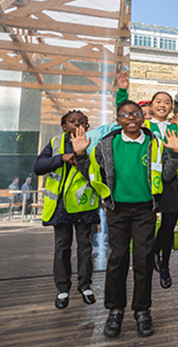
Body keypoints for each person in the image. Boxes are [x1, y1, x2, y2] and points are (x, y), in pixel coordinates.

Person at [73, 100, 178, 338]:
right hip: (117, 210)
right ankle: (115, 311)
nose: (130, 118)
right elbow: (92, 176)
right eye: (124, 114)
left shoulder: (155, 143)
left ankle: (142, 311)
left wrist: (174, 153)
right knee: (118, 259)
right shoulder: (106, 144)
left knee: (143, 260)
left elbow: (166, 175)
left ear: (143, 118)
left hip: (145, 210)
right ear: (118, 119)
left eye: (135, 114)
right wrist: (81, 155)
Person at [115, 71, 178, 290]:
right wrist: (122, 90)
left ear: (170, 108)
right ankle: (148, 261)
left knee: (169, 225)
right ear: (153, 105)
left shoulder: (176, 127)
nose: (163, 105)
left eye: (167, 102)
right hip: (148, 183)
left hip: (171, 183)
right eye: (159, 101)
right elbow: (122, 115)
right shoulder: (144, 127)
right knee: (146, 227)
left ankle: (163, 263)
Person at [33, 110, 100, 310]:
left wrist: (81, 158)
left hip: (85, 206)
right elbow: (38, 167)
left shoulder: (93, 143)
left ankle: (85, 286)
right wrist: (62, 157)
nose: (76, 125)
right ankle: (62, 289)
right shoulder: (54, 144)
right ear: (64, 126)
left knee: (85, 248)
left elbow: (98, 173)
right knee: (62, 248)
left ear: (87, 127)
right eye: (72, 121)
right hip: (61, 207)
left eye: (81, 122)